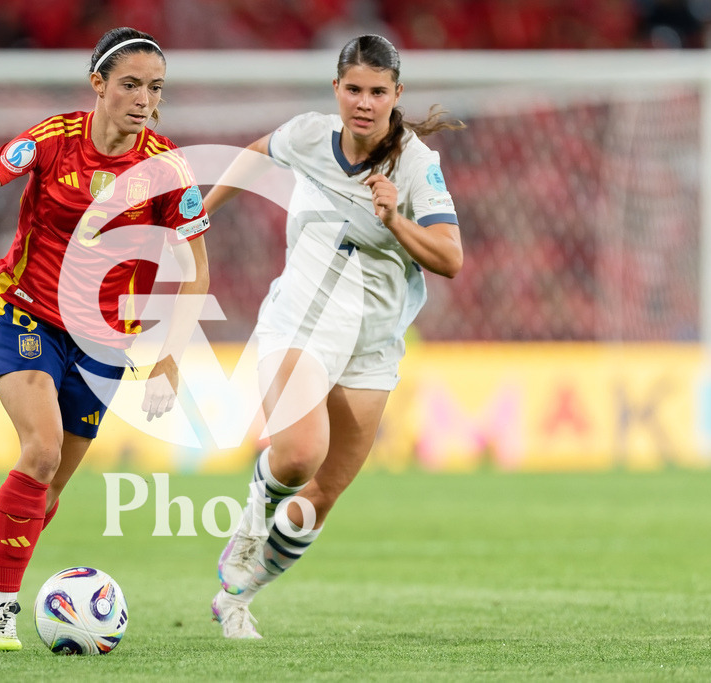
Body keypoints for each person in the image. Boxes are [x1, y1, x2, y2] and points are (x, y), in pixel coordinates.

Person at [0, 26, 210, 651]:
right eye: (129, 84)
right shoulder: (52, 139)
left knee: (47, 493)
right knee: (40, 451)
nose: (143, 98)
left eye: (154, 88)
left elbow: (196, 266)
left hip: (104, 342)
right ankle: (3, 611)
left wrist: (170, 359)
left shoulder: (167, 167)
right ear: (97, 84)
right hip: (29, 313)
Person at [204, 34, 464, 639]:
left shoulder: (417, 166)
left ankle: (238, 597)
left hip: (373, 338)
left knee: (321, 496)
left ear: (397, 96)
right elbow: (255, 150)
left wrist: (396, 218)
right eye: (354, 89)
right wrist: (201, 211)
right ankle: (246, 532)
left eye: (378, 92)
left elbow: (450, 259)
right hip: (303, 314)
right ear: (336, 90)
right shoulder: (308, 135)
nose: (364, 103)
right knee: (297, 454)